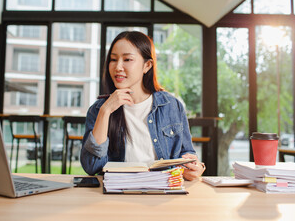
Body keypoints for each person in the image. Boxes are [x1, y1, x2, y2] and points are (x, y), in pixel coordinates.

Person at [80, 31, 205, 180]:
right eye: (113, 59)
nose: (118, 67)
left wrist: (195, 167)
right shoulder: (98, 109)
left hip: (162, 192)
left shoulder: (172, 106)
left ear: (147, 65)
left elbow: (188, 155)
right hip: (117, 194)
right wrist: (105, 111)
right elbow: (91, 167)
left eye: (127, 59)